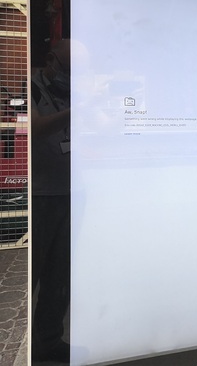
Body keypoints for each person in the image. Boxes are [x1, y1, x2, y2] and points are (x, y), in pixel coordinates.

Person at [30, 39, 71, 363]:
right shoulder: (24, 85)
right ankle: (21, 345)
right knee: (30, 274)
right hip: (38, 196)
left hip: (70, 193)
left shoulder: (75, 93)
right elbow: (32, 128)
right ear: (51, 61)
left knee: (59, 278)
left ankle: (49, 341)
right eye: (69, 70)